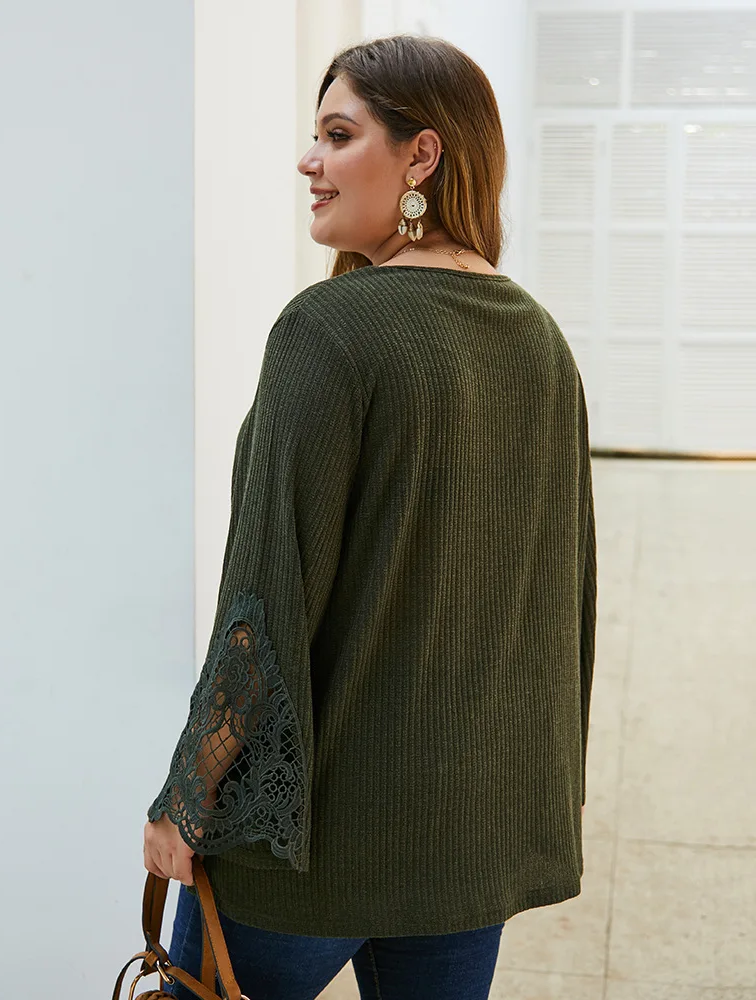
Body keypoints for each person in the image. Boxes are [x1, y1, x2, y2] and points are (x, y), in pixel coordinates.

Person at [142, 33, 596, 1000]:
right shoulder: (541, 342)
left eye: (339, 135)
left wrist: (187, 795)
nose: (309, 162)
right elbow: (559, 609)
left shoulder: (328, 329)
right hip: (463, 845)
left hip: (314, 848)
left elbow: (265, 603)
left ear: (421, 155)